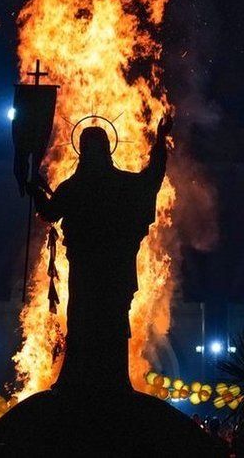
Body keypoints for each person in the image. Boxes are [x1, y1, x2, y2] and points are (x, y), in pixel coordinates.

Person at [29, 116, 172, 392]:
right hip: (98, 269)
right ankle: (88, 379)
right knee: (94, 320)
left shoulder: (76, 187)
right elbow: (48, 212)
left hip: (101, 269)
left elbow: (48, 211)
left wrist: (160, 141)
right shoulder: (84, 186)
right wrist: (35, 188)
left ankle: (105, 380)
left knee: (98, 320)